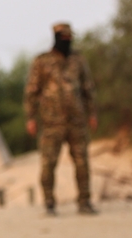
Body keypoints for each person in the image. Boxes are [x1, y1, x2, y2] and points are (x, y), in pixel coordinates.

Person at [24, 22, 98, 216]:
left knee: (82, 163)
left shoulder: (78, 60)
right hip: (51, 122)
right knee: (48, 164)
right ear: (56, 38)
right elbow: (32, 91)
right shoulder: (42, 61)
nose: (67, 41)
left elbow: (88, 89)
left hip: (77, 121)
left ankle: (84, 202)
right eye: (63, 37)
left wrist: (92, 114)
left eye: (69, 37)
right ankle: (49, 203)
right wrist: (31, 118)